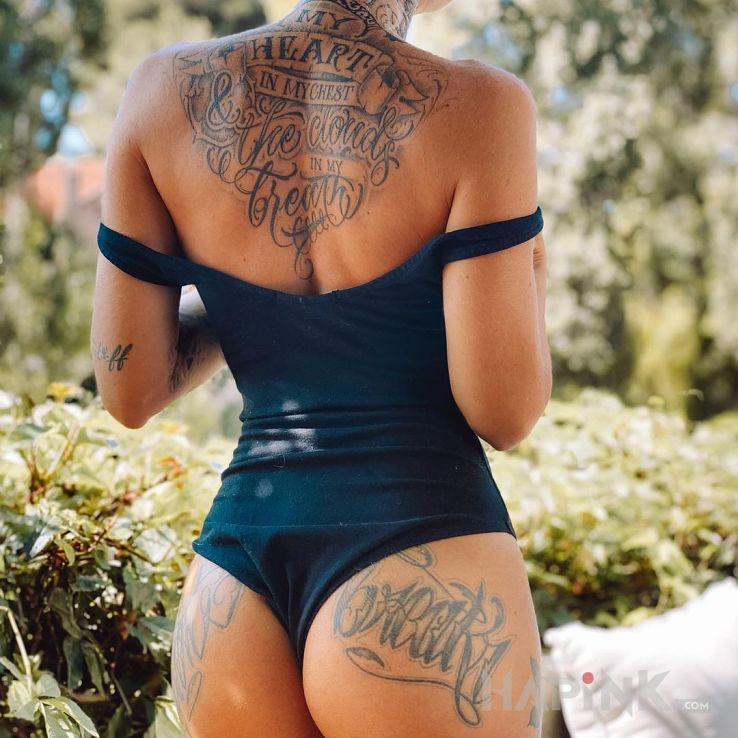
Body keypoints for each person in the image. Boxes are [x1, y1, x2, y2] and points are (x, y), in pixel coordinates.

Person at [90, 0, 551, 735]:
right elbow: (504, 411)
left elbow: (129, 387)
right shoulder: (483, 104)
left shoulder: (160, 91)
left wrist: (246, 298)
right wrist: (529, 273)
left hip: (232, 587)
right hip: (422, 564)